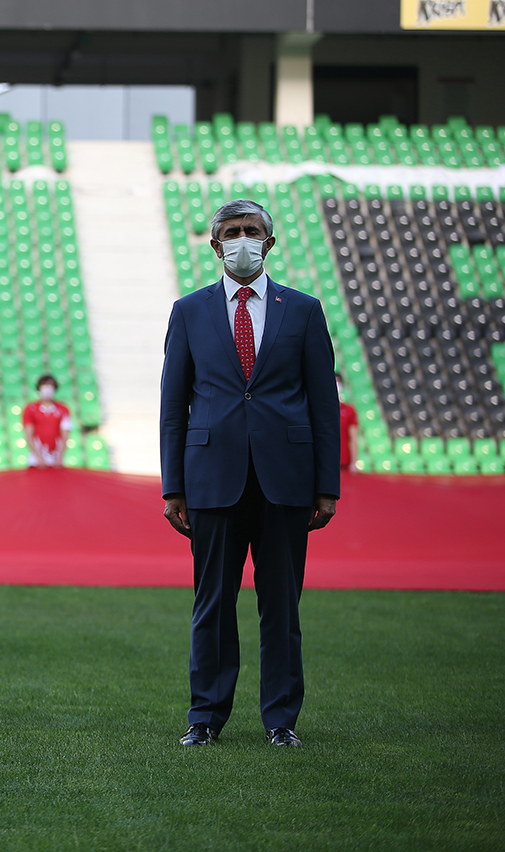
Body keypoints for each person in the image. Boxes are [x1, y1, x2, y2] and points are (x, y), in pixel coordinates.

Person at [160, 199, 340, 749]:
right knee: (211, 602)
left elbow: (322, 403)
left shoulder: (304, 310)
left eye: (252, 231)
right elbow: (173, 405)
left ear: (270, 241)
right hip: (212, 478)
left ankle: (280, 720)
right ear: (216, 245)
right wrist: (173, 486)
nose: (243, 240)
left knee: (281, 606)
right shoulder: (188, 311)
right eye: (232, 232)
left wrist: (326, 486)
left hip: (285, 479)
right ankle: (205, 717)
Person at [21, 373, 72, 468]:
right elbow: (29, 434)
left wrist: (60, 455)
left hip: (56, 457)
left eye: (50, 385)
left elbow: (65, 434)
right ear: (39, 388)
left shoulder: (63, 409)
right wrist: (38, 456)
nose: (47, 389)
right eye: (44, 385)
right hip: (36, 457)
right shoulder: (30, 409)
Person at [336, 373, 359, 471]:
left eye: (338, 382)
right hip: (323, 462)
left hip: (344, 462)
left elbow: (353, 438)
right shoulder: (317, 410)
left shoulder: (349, 410)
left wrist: (353, 463)